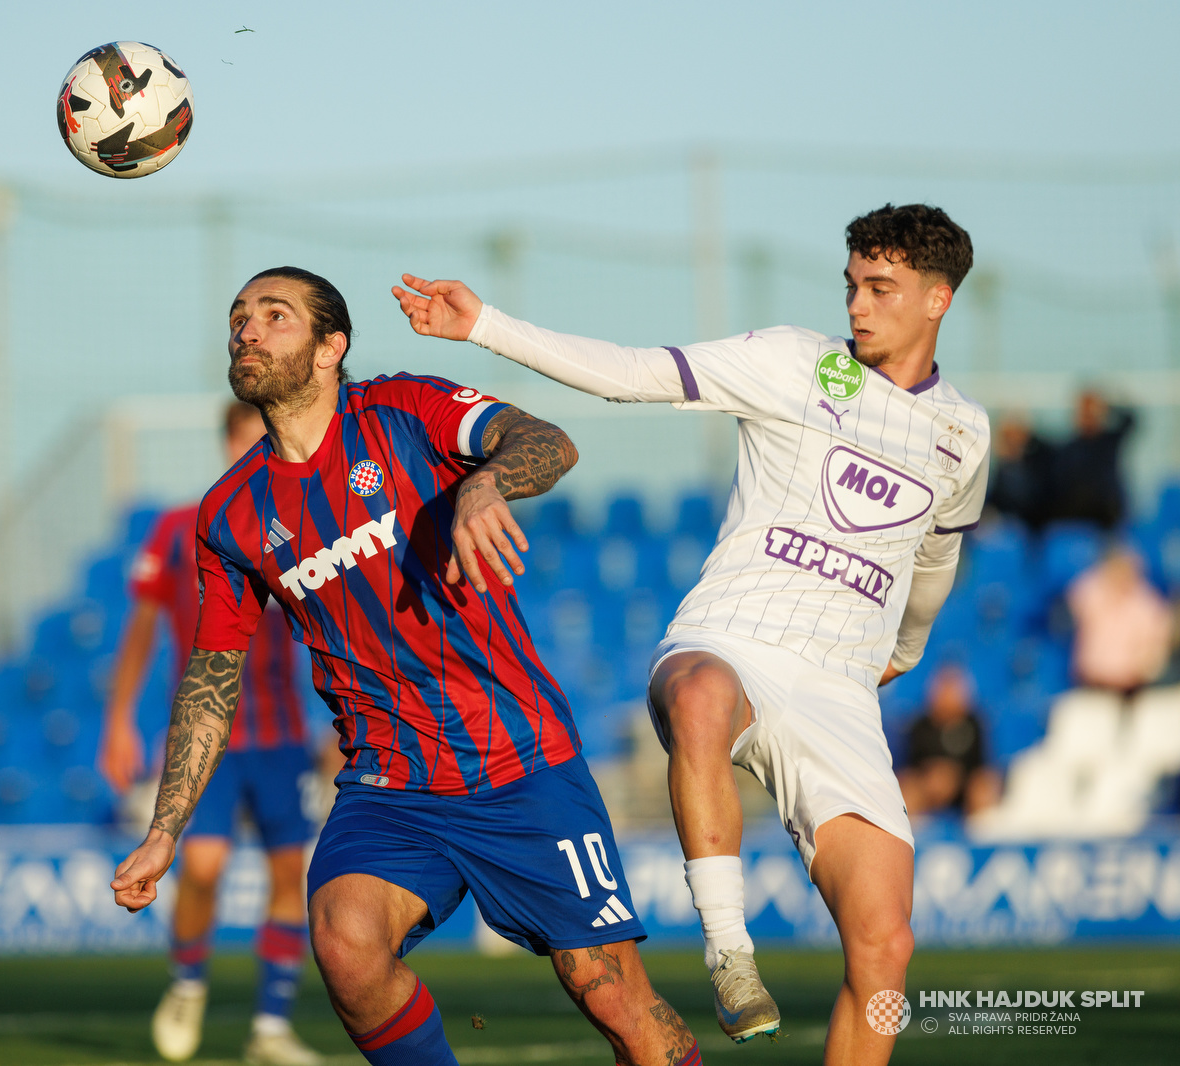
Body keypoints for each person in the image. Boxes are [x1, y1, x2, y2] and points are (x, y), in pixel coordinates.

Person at [393, 203, 990, 1065]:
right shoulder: (795, 362)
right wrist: (486, 324)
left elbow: (935, 554)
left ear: (937, 300)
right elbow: (630, 373)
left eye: (882, 288)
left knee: (885, 953)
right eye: (852, 283)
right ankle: (729, 952)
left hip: (840, 690)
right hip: (732, 637)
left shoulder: (963, 433)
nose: (858, 305)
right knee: (702, 695)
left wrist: (910, 644)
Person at [114, 267, 700, 1066]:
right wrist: (164, 829)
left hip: (517, 761)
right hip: (391, 782)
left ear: (331, 348)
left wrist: (482, 486)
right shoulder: (230, 515)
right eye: (238, 317)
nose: (247, 330)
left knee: (611, 994)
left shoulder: (402, 410)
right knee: (345, 942)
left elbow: (547, 442)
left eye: (274, 316)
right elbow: (212, 677)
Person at [100, 401, 322, 1066]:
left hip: (282, 736)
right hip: (206, 738)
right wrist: (118, 721)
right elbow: (139, 631)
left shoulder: (303, 524)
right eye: (253, 437)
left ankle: (271, 1028)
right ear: (229, 441)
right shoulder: (177, 529)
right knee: (202, 868)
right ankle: (188, 982)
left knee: (292, 872)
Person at [897, 665, 1001, 817]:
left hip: (964, 787)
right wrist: (932, 776)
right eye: (943, 690)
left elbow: (982, 765)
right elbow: (910, 766)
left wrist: (955, 776)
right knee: (908, 787)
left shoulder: (975, 724)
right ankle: (912, 830)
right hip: (928, 786)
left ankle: (981, 832)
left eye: (953, 691)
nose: (947, 697)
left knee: (984, 786)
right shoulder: (920, 726)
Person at [1067, 545, 1171, 695]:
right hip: (1091, 682)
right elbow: (1075, 595)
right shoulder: (1092, 594)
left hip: (1132, 687)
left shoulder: (1147, 605)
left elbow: (1154, 651)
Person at [1049, 390, 1136, 529]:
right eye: (1084, 413)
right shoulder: (1069, 448)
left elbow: (1131, 419)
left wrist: (1106, 406)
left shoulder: (1110, 441)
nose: (1087, 418)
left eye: (1091, 413)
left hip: (1108, 513)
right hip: (1077, 514)